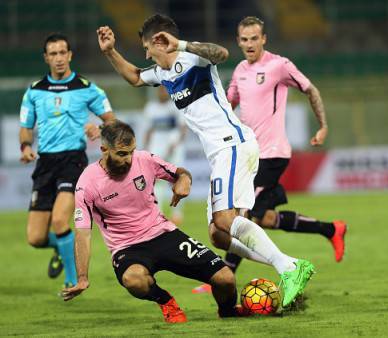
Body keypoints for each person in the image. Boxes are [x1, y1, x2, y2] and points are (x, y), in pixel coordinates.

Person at [96, 13, 314, 308]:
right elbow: (135, 76)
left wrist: (181, 44)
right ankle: (290, 264)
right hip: (221, 154)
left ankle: (288, 269)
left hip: (233, 145)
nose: (146, 53)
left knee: (226, 220)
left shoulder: (193, 59)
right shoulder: (162, 73)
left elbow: (221, 53)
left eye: (149, 46)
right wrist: (110, 51)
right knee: (218, 235)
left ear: (162, 41)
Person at [61, 120, 248, 322]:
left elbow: (181, 173)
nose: (129, 159)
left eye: (132, 151)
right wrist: (82, 278)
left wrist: (184, 182)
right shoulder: (87, 183)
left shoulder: (144, 160)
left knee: (226, 278)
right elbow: (83, 232)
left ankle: (228, 312)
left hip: (164, 234)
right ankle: (166, 301)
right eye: (122, 154)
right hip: (127, 248)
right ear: (104, 150)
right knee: (134, 280)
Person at [219, 16, 348, 277]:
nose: (249, 44)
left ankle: (224, 274)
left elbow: (311, 90)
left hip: (273, 154)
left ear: (264, 39)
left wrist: (323, 126)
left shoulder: (279, 65)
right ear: (238, 42)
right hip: (250, 157)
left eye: (254, 38)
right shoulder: (240, 71)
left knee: (243, 215)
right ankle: (331, 229)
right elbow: (227, 106)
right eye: (244, 39)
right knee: (264, 218)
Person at [19, 33, 115, 290]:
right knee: (36, 237)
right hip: (45, 165)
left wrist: (100, 128)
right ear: (46, 58)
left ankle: (74, 281)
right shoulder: (34, 91)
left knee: (61, 221)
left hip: (73, 161)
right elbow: (26, 127)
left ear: (70, 55)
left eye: (63, 53)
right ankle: (62, 248)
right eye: (53, 54)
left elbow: (112, 121)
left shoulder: (87, 88)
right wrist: (26, 146)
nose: (59, 58)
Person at [143, 86, 187, 225]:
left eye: (164, 90)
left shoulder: (175, 106)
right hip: (157, 149)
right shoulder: (151, 107)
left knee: (176, 181)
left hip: (174, 149)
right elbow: (148, 130)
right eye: (160, 90)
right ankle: (158, 213)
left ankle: (177, 214)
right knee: (157, 182)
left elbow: (182, 128)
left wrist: (176, 144)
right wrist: (146, 149)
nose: (162, 92)